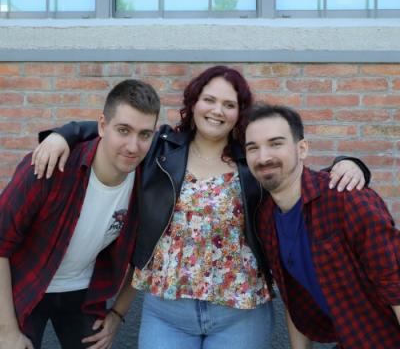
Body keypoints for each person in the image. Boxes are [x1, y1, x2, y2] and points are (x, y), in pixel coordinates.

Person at [31, 66, 370, 349]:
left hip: (241, 313)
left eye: (229, 104)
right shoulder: (161, 149)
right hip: (167, 313)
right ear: (193, 103)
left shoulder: (252, 158)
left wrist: (351, 164)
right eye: (209, 100)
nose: (217, 110)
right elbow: (113, 131)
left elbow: (295, 177)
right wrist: (64, 134)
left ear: (239, 112)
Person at [0, 79, 160, 349]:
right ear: (102, 126)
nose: (133, 146)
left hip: (83, 292)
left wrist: (117, 314)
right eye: (123, 130)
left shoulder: (148, 182)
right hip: (23, 287)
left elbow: (146, 255)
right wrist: (5, 330)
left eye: (144, 134)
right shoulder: (50, 166)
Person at [244, 103, 400, 349]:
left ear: (302, 149)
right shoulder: (266, 219)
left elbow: (395, 282)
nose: (263, 157)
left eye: (276, 144)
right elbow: (293, 299)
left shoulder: (346, 198)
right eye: (253, 148)